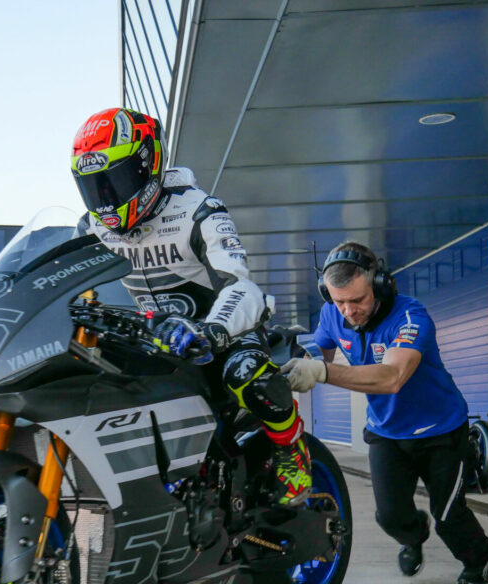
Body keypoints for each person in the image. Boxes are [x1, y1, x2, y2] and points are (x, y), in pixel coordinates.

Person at [70, 107, 311, 505]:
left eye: (114, 181)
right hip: (158, 338)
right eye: (95, 187)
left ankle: (292, 451)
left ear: (148, 164)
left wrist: (211, 330)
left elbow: (240, 284)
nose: (106, 199)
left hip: (225, 332)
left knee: (245, 372)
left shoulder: (199, 210)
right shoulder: (89, 228)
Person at [281, 241, 488, 584]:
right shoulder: (331, 314)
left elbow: (392, 377)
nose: (349, 311)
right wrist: (298, 354)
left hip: (441, 431)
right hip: (386, 431)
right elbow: (318, 346)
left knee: (448, 516)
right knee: (390, 517)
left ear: (380, 285)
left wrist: (323, 372)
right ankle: (413, 537)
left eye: (358, 300)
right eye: (339, 301)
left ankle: (480, 557)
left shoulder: (411, 318)